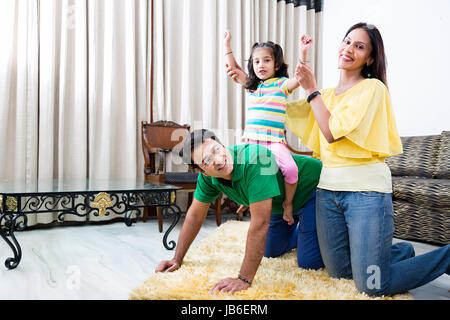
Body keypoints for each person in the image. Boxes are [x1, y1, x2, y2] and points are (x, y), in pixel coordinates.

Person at [283, 22, 450, 297]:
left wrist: (311, 89)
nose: (349, 49)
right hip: (328, 194)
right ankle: (399, 251)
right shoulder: (324, 96)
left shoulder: (372, 88)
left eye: (359, 46)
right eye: (347, 41)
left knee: (372, 285)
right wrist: (301, 61)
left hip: (366, 194)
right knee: (339, 273)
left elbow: (331, 132)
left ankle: (446, 256)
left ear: (370, 58)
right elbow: (277, 101)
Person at [155, 129, 324, 294]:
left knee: (309, 262)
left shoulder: (255, 159)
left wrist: (244, 279)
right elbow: (195, 215)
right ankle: (303, 232)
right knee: (271, 251)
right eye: (207, 160)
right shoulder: (207, 178)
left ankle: (314, 228)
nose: (218, 160)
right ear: (201, 171)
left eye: (216, 150)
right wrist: (177, 259)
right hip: (279, 204)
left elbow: (260, 224)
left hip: (310, 190)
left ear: (223, 145)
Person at [222, 30, 312, 225]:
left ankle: (288, 204)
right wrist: (227, 45)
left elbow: (300, 78)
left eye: (266, 60)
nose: (261, 65)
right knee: (240, 171)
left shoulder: (282, 85)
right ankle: (246, 200)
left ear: (276, 64)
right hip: (251, 142)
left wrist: (303, 54)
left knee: (291, 170)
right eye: (256, 62)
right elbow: (232, 67)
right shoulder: (253, 86)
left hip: (273, 142)